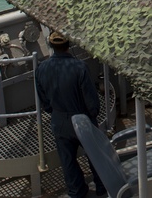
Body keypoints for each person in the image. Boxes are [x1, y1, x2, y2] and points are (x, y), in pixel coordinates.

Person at [34, 30, 105, 198]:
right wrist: (93, 115)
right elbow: (91, 99)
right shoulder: (80, 67)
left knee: (68, 162)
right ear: (69, 45)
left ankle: (77, 192)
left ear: (51, 46)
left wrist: (55, 112)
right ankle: (102, 188)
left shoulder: (41, 68)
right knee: (95, 156)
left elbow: (43, 98)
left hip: (59, 120)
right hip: (82, 119)